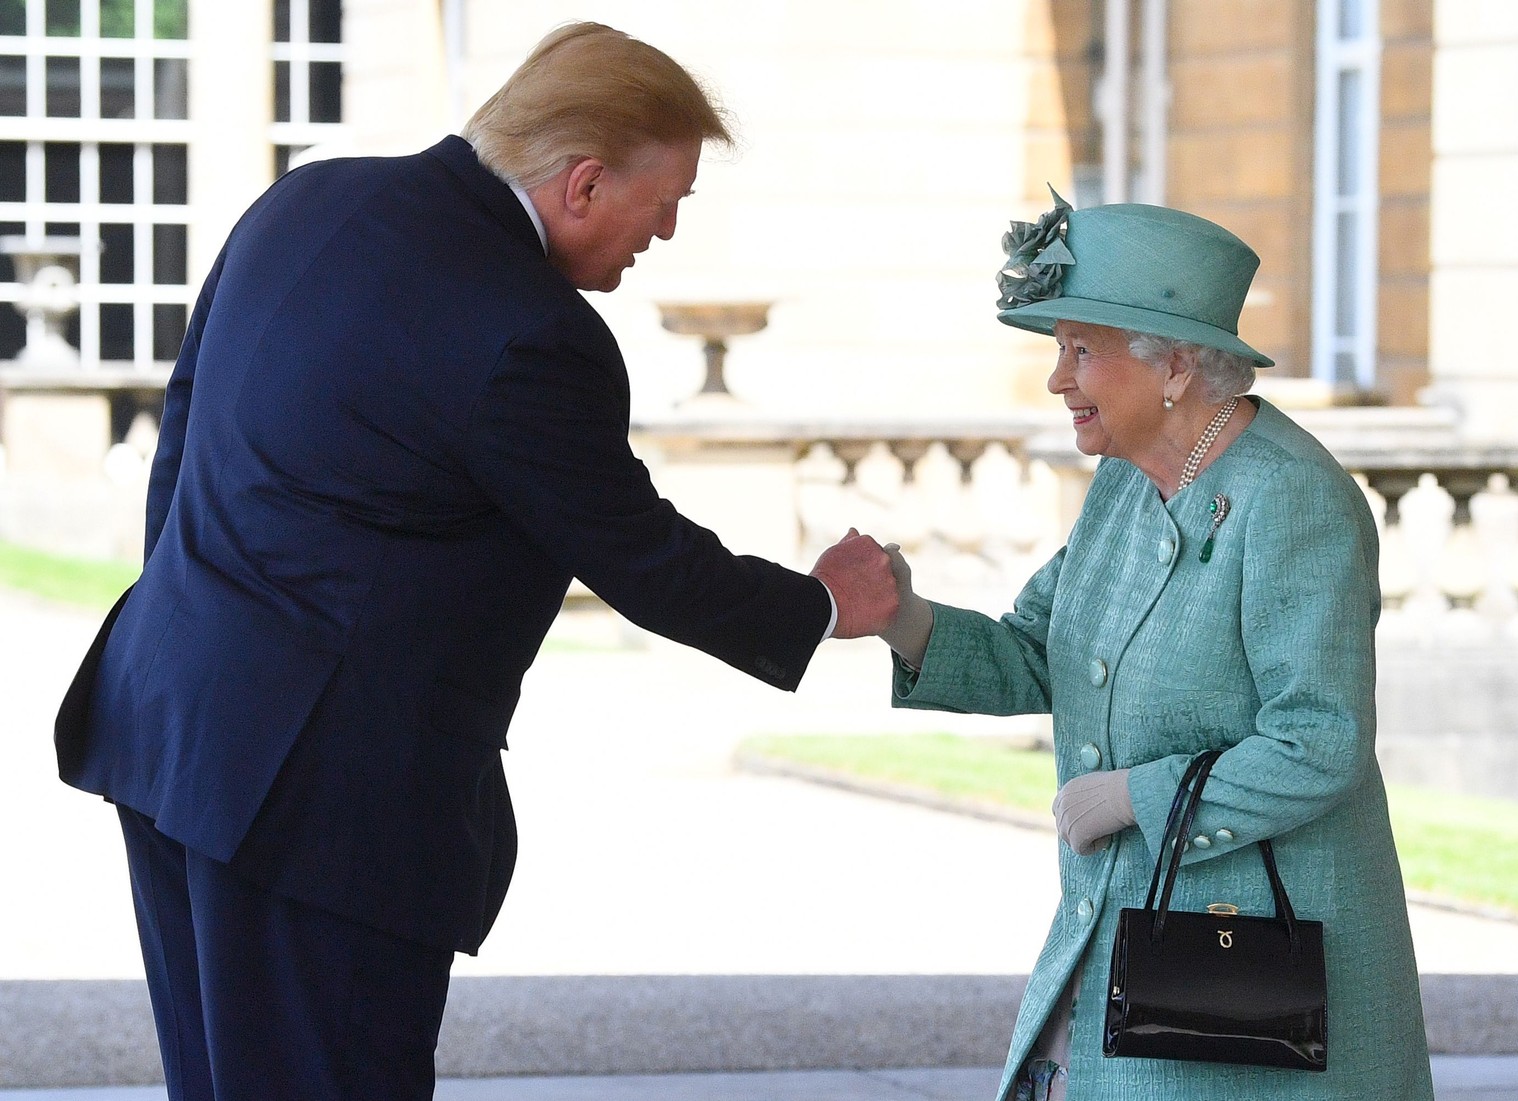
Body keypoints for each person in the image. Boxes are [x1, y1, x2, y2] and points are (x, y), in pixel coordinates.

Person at [52, 22, 898, 1101]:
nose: (671, 232)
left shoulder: (307, 201)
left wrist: (202, 621)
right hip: (321, 806)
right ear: (584, 183)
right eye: (669, 197)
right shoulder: (530, 332)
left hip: (171, 722)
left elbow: (184, 424)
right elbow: (639, 556)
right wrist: (824, 604)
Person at [871, 194, 1434, 1100]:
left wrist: (1136, 796)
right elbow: (1034, 650)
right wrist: (902, 616)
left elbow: (1319, 741)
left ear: (1172, 366)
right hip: (1122, 948)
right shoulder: (1123, 489)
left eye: (1079, 350)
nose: (1058, 379)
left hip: (1249, 981)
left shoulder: (1292, 500)